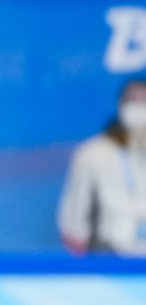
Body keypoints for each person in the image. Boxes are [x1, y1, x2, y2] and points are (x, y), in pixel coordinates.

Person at [57, 78, 146, 256]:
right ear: (121, 105)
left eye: (144, 101)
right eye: (133, 100)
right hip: (111, 263)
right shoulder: (92, 154)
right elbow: (73, 226)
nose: (139, 107)